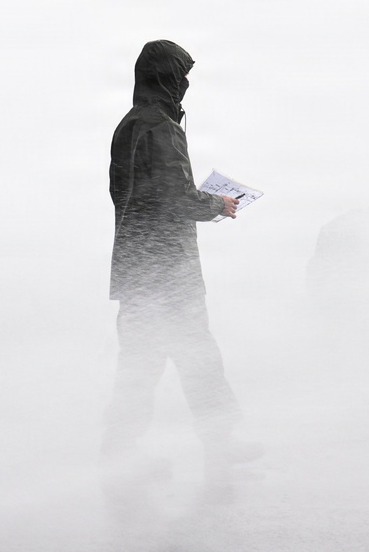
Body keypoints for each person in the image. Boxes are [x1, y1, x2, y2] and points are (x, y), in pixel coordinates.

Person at [103, 40, 261, 478]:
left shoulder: (127, 126)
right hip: (169, 270)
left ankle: (119, 455)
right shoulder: (162, 128)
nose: (186, 84)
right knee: (198, 356)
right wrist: (217, 204)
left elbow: (126, 195)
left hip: (135, 266)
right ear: (168, 78)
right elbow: (174, 196)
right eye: (181, 75)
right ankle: (221, 444)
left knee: (138, 363)